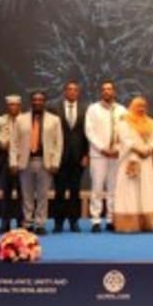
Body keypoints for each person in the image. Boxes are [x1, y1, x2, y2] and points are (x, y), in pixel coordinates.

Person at [9, 91, 62, 235]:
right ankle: (27, 222)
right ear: (31, 102)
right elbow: (14, 142)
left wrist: (56, 162)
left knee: (43, 195)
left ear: (45, 102)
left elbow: (58, 143)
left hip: (45, 162)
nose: (38, 102)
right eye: (35, 100)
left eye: (41, 100)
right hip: (25, 162)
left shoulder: (54, 120)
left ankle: (40, 223)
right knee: (26, 195)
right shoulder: (21, 119)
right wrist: (13, 162)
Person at [84, 80, 126, 233]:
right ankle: (95, 220)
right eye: (104, 89)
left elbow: (125, 133)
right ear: (101, 92)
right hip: (98, 155)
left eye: (110, 89)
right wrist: (102, 149)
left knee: (113, 189)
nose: (107, 92)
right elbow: (89, 131)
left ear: (114, 91)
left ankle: (110, 219)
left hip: (116, 155)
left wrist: (118, 149)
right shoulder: (93, 109)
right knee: (97, 188)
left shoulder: (122, 110)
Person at [112, 96, 153, 233]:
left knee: (146, 189)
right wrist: (139, 149)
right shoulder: (124, 121)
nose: (141, 108)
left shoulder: (151, 122)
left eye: (144, 105)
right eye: (138, 105)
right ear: (132, 106)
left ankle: (146, 224)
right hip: (131, 158)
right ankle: (128, 225)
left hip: (146, 159)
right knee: (129, 190)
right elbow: (125, 139)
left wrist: (149, 149)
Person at [51, 80, 89, 233]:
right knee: (59, 191)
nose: (72, 92)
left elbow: (88, 134)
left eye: (75, 90)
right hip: (60, 156)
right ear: (65, 91)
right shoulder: (54, 108)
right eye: (69, 89)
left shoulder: (85, 109)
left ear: (78, 93)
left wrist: (86, 154)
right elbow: (50, 133)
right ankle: (58, 223)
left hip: (78, 157)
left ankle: (74, 222)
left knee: (75, 191)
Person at [0, 94, 24, 232]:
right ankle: (4, 223)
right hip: (4, 161)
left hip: (21, 162)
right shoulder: (0, 120)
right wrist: (0, 144)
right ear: (7, 106)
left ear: (20, 106)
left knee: (22, 194)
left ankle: (21, 222)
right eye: (11, 105)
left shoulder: (25, 120)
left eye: (16, 105)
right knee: (5, 194)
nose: (13, 107)